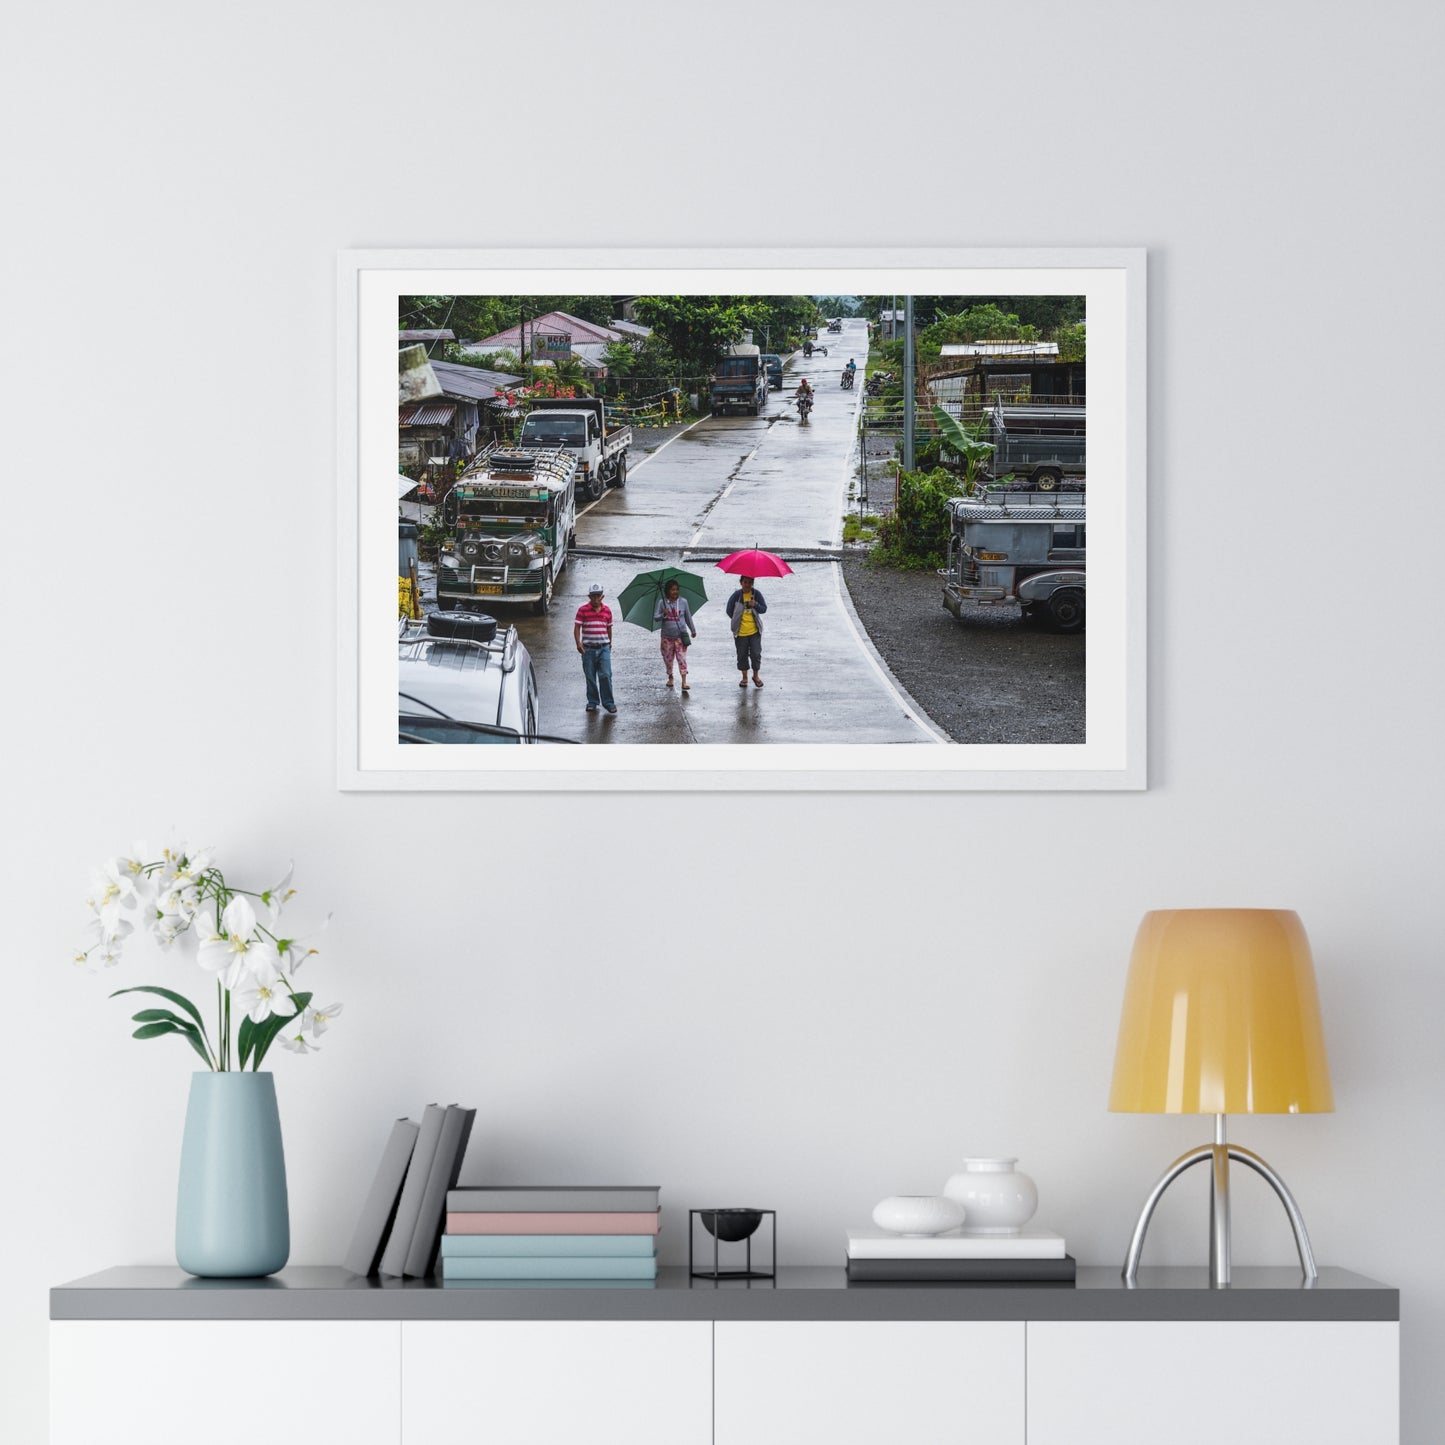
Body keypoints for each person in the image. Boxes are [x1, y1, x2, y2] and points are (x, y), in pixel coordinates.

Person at [573, 582, 616, 714]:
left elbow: (609, 628)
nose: (596, 599)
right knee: (590, 676)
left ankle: (608, 703)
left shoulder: (607, 610)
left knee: (606, 675)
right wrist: (578, 643)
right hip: (588, 649)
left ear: (602, 596)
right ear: (589, 596)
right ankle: (592, 701)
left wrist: (609, 643)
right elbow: (577, 627)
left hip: (603, 648)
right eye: (593, 596)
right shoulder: (583, 610)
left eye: (598, 596)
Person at [653, 578, 697, 691]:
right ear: (668, 591)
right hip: (667, 637)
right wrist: (663, 614)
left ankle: (684, 681)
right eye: (672, 590)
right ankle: (670, 677)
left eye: (677, 589)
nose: (675, 592)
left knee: (682, 659)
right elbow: (656, 617)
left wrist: (693, 630)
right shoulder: (662, 603)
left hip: (680, 637)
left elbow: (688, 617)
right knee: (668, 659)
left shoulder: (683, 602)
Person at [726, 575, 768, 688]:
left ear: (752, 583)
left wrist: (756, 605)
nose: (747, 585)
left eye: (750, 582)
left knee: (756, 654)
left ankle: (755, 676)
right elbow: (729, 610)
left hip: (754, 631)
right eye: (745, 582)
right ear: (741, 583)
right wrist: (737, 619)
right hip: (740, 633)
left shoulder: (756, 594)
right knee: (742, 655)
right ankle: (744, 678)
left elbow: (764, 609)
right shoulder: (736, 596)